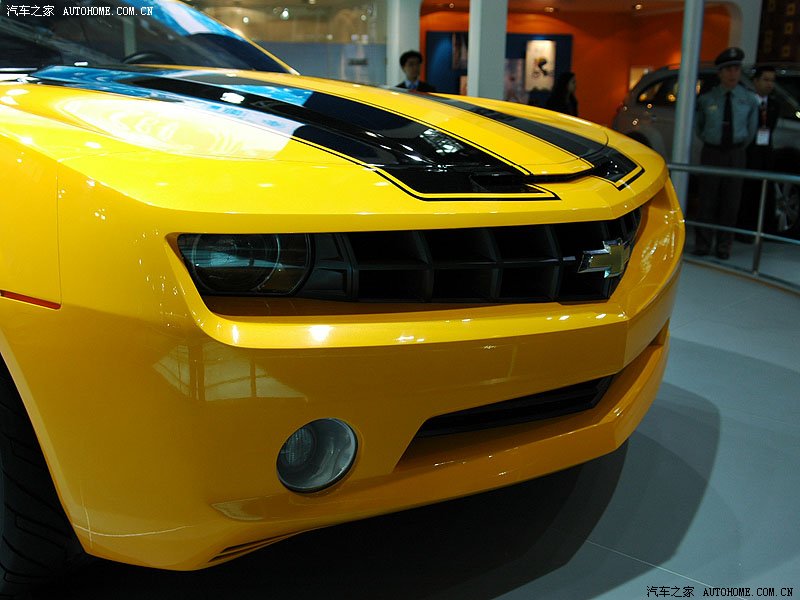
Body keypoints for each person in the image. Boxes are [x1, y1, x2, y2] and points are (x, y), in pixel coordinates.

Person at [693, 47, 759, 259]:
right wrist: (713, 141)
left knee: (731, 202)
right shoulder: (707, 99)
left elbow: (751, 130)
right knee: (707, 200)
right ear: (720, 73)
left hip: (736, 153)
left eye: (736, 69)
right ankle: (703, 243)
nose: (733, 74)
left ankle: (724, 246)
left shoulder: (748, 99)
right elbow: (699, 127)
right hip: (712, 152)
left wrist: (736, 147)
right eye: (728, 70)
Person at [737, 65, 781, 241]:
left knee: (765, 192)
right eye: (766, 80)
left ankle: (764, 230)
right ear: (756, 81)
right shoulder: (747, 102)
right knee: (747, 193)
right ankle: (744, 230)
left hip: (765, 153)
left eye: (772, 81)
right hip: (749, 152)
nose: (769, 84)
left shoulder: (774, 105)